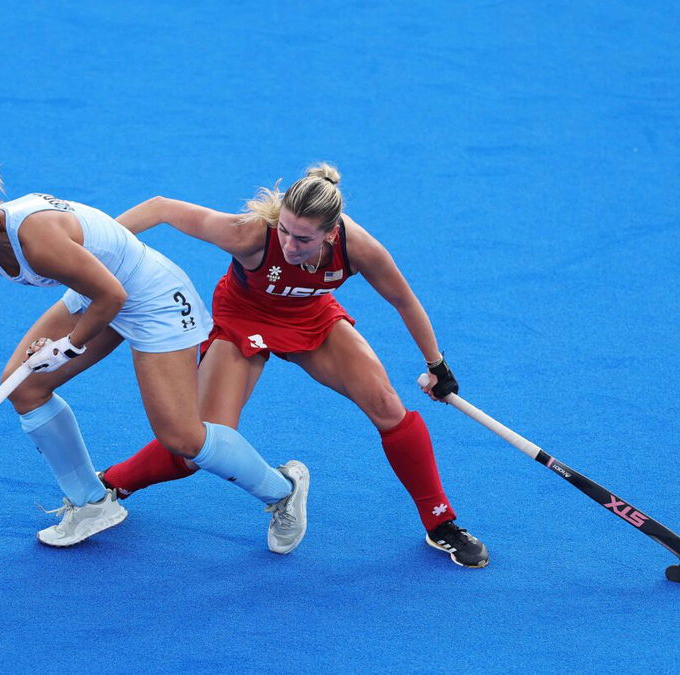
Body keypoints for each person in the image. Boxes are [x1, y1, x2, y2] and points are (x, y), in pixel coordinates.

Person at [0, 137, 310, 553]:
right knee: (24, 385)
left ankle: (283, 489)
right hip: (96, 290)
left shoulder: (37, 238)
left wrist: (67, 345)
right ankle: (92, 503)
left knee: (182, 438)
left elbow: (114, 297)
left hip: (152, 298)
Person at [101, 164, 488, 567]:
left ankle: (441, 522)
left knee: (388, 406)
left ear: (331, 234)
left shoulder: (360, 249)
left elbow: (404, 301)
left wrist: (436, 365)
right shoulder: (248, 233)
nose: (288, 244)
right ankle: (111, 485)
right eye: (284, 230)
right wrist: (96, 245)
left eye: (303, 238)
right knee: (204, 445)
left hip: (311, 318)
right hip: (243, 319)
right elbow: (161, 208)